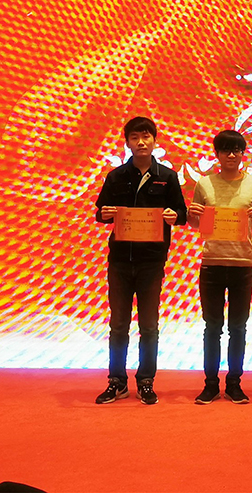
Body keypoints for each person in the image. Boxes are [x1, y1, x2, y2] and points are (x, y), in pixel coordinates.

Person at [94, 116, 187, 405]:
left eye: (146, 136)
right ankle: (116, 381)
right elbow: (100, 212)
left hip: (151, 262)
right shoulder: (116, 176)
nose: (141, 142)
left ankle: (146, 381)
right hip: (120, 261)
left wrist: (174, 216)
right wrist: (105, 214)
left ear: (155, 141)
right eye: (135, 137)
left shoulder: (167, 177)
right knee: (118, 325)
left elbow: (182, 214)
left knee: (149, 326)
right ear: (127, 143)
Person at [188, 130, 252, 405]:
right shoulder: (204, 183)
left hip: (242, 263)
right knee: (212, 327)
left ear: (243, 153)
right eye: (225, 150)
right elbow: (195, 223)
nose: (231, 155)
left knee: (238, 327)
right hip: (211, 263)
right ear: (217, 154)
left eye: (236, 150)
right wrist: (191, 215)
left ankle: (234, 383)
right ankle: (211, 384)